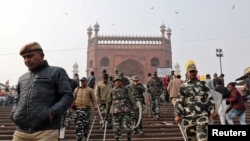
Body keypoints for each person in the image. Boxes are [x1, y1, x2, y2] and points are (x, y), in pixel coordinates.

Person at [11, 42, 73, 141]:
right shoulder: (22, 78)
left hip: (46, 132)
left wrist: (52, 112)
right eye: (24, 57)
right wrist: (14, 114)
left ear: (42, 55)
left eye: (30, 56)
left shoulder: (57, 72)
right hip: (20, 132)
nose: (27, 60)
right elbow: (16, 99)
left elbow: (67, 95)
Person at [174, 60, 216, 141]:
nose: (193, 73)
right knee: (191, 139)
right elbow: (179, 101)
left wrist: (212, 111)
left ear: (197, 72)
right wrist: (177, 115)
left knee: (202, 138)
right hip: (188, 118)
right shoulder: (183, 86)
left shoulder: (203, 85)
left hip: (202, 116)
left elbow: (209, 98)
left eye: (194, 71)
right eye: (191, 71)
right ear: (187, 73)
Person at [105, 75, 137, 141]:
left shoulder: (126, 89)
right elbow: (108, 102)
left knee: (127, 128)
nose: (118, 82)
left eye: (119, 81)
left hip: (125, 112)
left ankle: (128, 137)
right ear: (114, 82)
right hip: (115, 113)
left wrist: (135, 108)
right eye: (117, 81)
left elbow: (132, 99)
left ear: (122, 82)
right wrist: (106, 113)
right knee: (116, 130)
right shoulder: (112, 91)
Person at [71, 77, 97, 141]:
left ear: (86, 82)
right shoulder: (76, 89)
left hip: (86, 110)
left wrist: (95, 108)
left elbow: (94, 100)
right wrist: (71, 108)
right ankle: (79, 138)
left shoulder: (90, 90)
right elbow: (72, 99)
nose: (82, 83)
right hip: (78, 109)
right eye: (81, 81)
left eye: (83, 81)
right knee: (78, 125)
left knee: (86, 124)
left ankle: (85, 135)